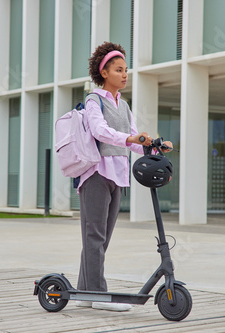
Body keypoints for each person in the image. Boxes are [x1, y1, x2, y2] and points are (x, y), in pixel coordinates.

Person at [76, 42, 173, 312]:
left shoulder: (124, 105)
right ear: (104, 72)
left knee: (101, 238)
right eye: (119, 70)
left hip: (118, 176)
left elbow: (132, 141)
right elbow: (99, 130)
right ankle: (98, 296)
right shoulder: (94, 100)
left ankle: (85, 293)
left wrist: (152, 145)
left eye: (126, 70)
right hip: (96, 174)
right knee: (94, 236)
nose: (125, 74)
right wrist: (131, 137)